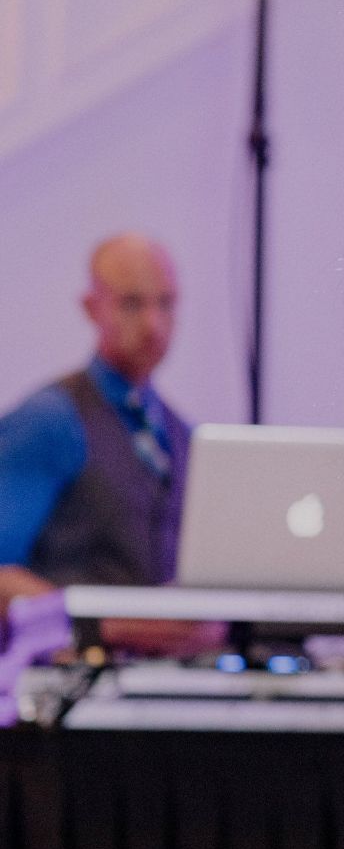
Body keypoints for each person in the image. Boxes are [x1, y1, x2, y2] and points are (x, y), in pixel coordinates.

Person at [0, 234, 221, 656]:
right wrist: (117, 625)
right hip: (65, 689)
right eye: (133, 304)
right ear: (91, 307)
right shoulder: (50, 420)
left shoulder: (180, 433)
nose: (153, 325)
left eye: (167, 304)